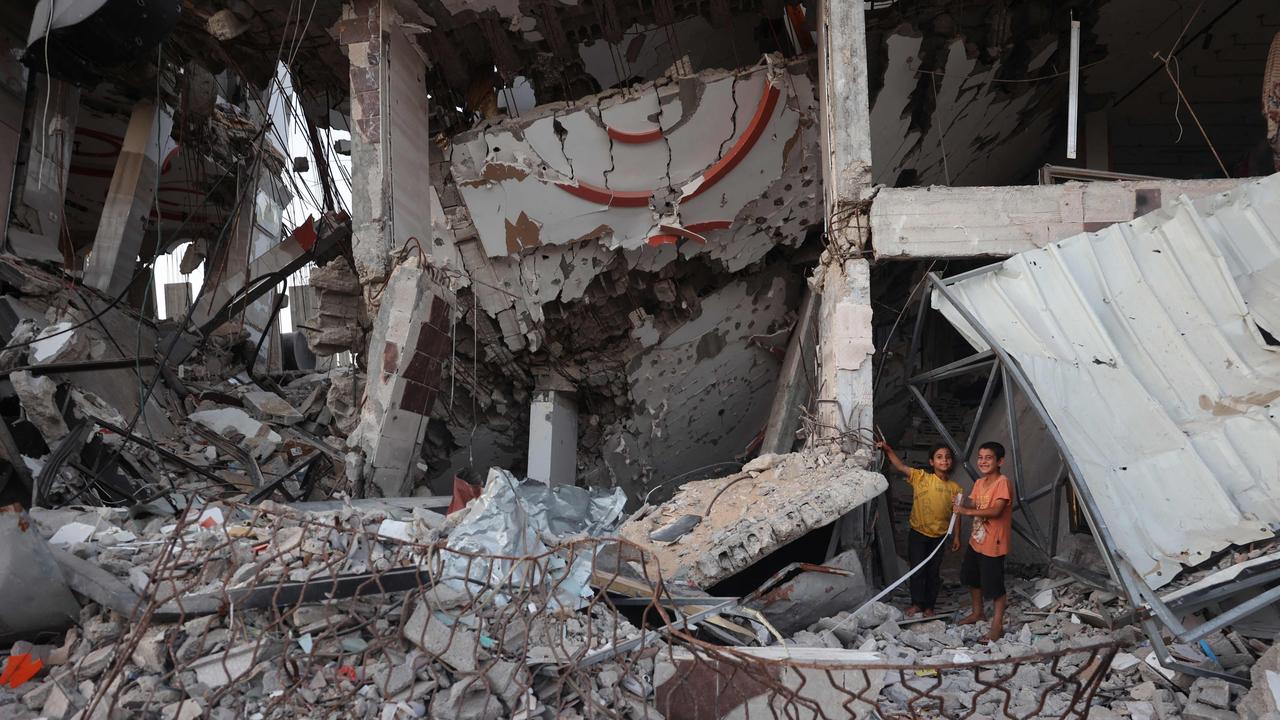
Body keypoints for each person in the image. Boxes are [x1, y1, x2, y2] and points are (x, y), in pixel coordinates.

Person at [876, 441, 963, 617]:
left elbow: (958, 514)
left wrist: (956, 537)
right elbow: (900, 466)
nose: (944, 461)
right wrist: (888, 449)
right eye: (939, 457)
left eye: (947, 458)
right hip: (918, 533)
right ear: (931, 462)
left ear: (951, 462)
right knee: (917, 569)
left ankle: (929, 606)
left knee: (933, 572)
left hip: (939, 538)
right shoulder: (921, 477)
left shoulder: (956, 488)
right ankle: (917, 603)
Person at [953, 441, 1014, 641]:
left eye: (988, 458)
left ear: (1000, 461)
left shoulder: (1002, 482)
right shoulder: (980, 483)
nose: (983, 461)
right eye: (980, 457)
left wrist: (966, 510)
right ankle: (978, 612)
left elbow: (996, 511)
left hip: (993, 544)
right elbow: (975, 502)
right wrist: (961, 502)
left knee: (995, 586)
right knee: (972, 577)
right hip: (976, 541)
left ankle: (997, 626)